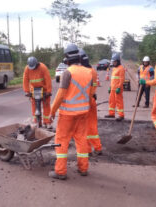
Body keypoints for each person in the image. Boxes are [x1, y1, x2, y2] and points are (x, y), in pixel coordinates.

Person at [48, 44, 94, 180]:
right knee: (81, 140)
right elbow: (91, 93)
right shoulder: (89, 72)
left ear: (67, 58)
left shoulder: (67, 73)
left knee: (61, 141)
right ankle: (83, 168)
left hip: (68, 115)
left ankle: (60, 171)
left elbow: (61, 95)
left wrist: (52, 112)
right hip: (83, 113)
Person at [78, 49, 103, 155]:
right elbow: (94, 86)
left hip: (84, 102)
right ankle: (97, 147)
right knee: (92, 125)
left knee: (83, 127)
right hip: (91, 100)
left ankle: (88, 149)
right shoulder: (92, 71)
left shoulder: (82, 72)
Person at [23, 57, 52, 128]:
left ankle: (47, 122)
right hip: (34, 89)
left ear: (37, 64)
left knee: (46, 105)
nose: (32, 69)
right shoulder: (27, 69)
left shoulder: (43, 67)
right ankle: (36, 121)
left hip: (44, 89)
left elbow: (48, 79)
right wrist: (27, 91)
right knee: (34, 105)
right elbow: (25, 80)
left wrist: (48, 91)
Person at [104, 53, 125, 121]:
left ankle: (121, 115)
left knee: (119, 102)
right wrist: (110, 87)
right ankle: (111, 114)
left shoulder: (121, 68)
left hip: (117, 89)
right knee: (111, 101)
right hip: (113, 88)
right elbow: (113, 79)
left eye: (115, 61)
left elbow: (122, 79)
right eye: (113, 62)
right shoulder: (114, 68)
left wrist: (119, 87)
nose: (113, 63)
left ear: (118, 61)